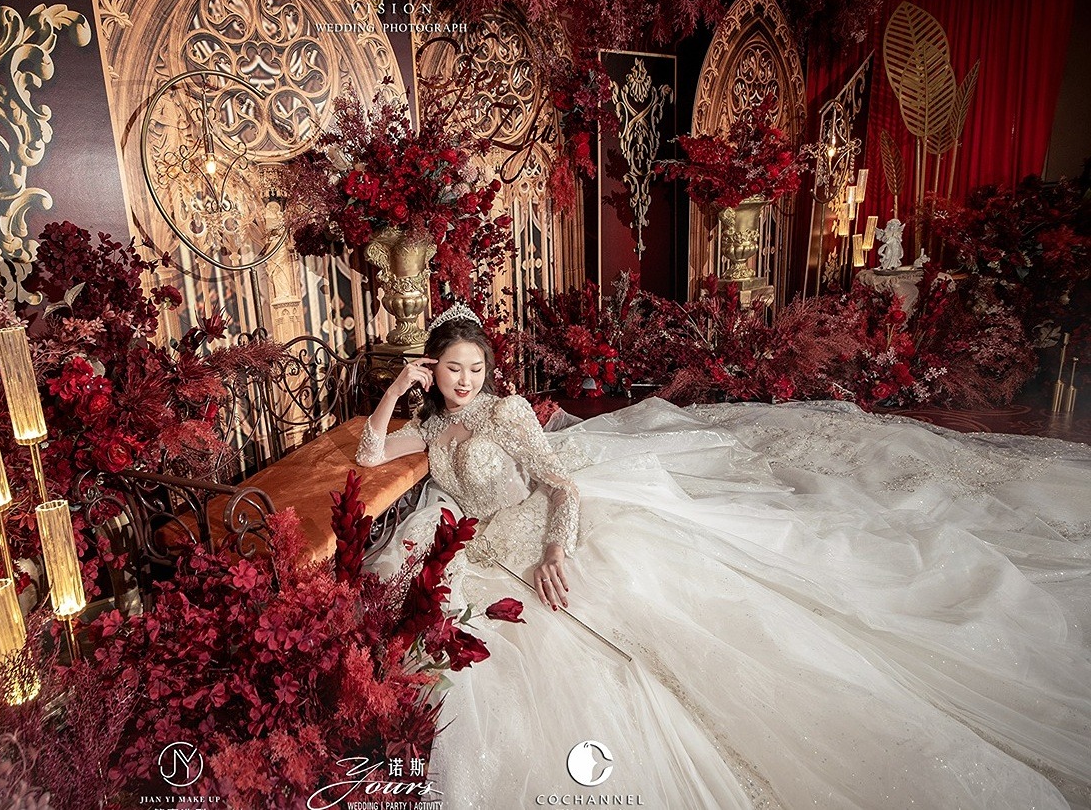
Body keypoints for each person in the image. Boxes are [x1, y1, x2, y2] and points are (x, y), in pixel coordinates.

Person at [357, 301, 1091, 809]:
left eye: (474, 368)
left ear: (488, 369)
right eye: (451, 369)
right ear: (434, 370)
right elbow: (367, 452)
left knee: (650, 636)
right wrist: (398, 387)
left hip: (537, 538)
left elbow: (560, 484)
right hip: (484, 554)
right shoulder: (433, 430)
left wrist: (555, 548)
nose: (465, 380)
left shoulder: (509, 412)